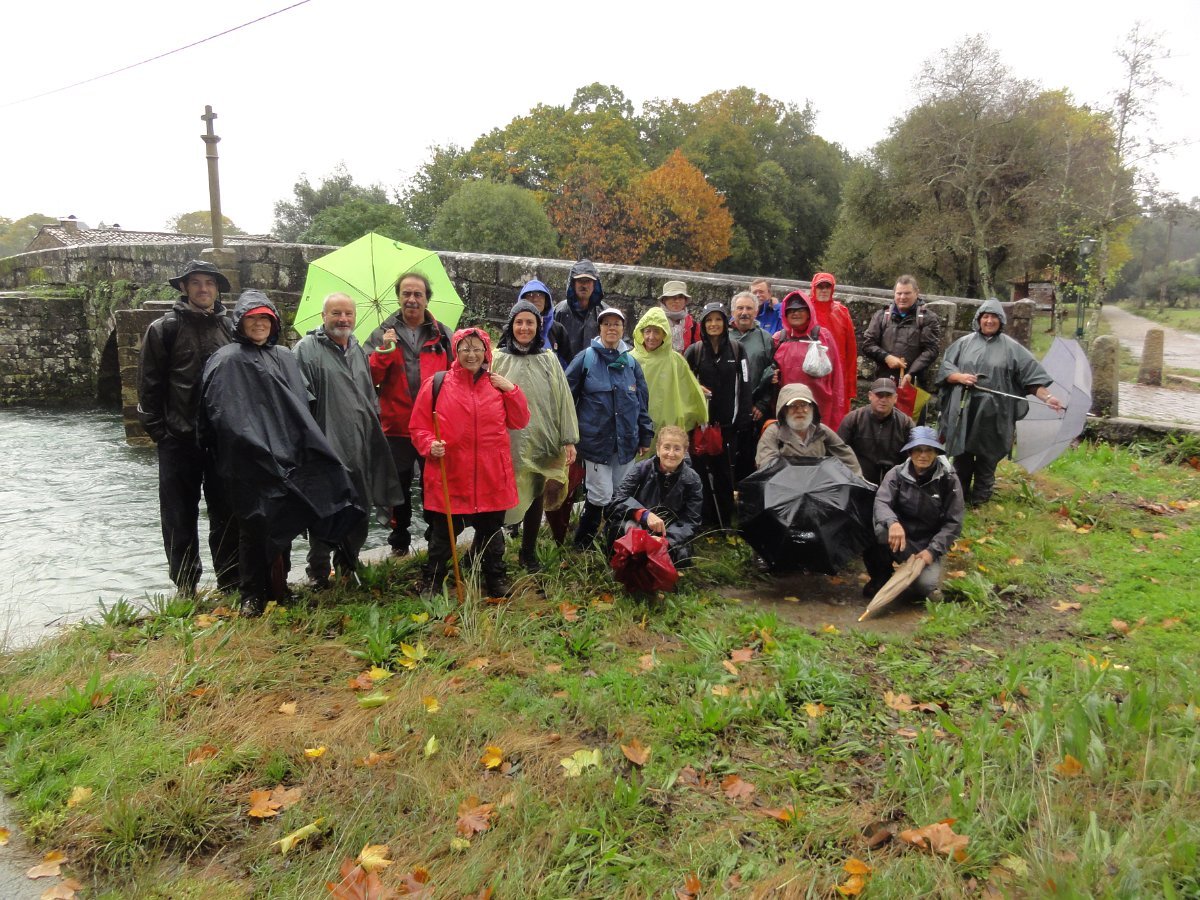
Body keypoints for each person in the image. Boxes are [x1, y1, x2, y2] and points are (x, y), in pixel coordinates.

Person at [198, 293, 362, 615]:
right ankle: (250, 594)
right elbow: (220, 413)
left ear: (273, 323)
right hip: (246, 460)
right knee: (252, 526)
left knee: (284, 522)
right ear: (240, 322)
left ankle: (279, 587)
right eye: (252, 319)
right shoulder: (227, 359)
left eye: (265, 319)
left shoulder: (285, 357)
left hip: (286, 457)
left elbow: (301, 405)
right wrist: (252, 447)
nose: (259, 324)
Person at [137, 259, 238, 595]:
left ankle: (230, 579)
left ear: (217, 288)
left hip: (221, 439)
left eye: (209, 283)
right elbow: (148, 387)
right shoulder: (163, 329)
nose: (203, 289)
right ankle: (185, 585)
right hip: (178, 440)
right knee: (179, 516)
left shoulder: (231, 328)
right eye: (196, 283)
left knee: (226, 512)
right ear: (184, 288)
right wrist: (160, 433)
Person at [409, 328, 530, 597]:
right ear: (456, 351)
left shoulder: (498, 385)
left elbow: (520, 420)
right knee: (443, 534)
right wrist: (430, 444)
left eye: (477, 349)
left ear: (486, 352)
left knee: (491, 532)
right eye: (466, 349)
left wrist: (512, 390)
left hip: (490, 475)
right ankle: (433, 580)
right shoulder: (437, 384)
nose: (471, 354)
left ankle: (494, 578)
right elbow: (418, 427)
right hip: (451, 473)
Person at [295, 293, 403, 588]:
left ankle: (348, 565)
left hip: (360, 445)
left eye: (348, 314)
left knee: (359, 508)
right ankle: (317, 573)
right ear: (323, 316)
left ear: (355, 318)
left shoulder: (356, 348)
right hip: (326, 447)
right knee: (326, 511)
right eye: (336, 313)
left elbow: (368, 394)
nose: (343, 319)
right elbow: (299, 402)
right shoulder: (306, 349)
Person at [936, 298, 1062, 506]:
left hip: (995, 415)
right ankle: (957, 499)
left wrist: (1048, 398)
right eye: (985, 316)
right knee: (962, 458)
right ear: (979, 319)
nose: (989, 321)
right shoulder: (963, 343)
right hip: (966, 411)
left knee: (987, 459)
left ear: (1001, 320)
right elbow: (946, 369)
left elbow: (1031, 379)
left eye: (994, 317)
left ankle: (980, 502)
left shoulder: (1013, 349)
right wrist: (960, 377)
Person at [367, 272, 453, 557]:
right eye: (406, 294)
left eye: (418, 294)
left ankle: (433, 537)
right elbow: (368, 376)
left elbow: (457, 375)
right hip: (397, 426)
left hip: (433, 425)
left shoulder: (442, 333)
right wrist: (384, 351)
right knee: (399, 486)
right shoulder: (383, 333)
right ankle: (399, 541)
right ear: (399, 297)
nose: (412, 300)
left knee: (434, 484)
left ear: (427, 297)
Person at [492, 298, 579, 572]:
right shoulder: (497, 358)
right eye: (519, 322)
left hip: (543, 438)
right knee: (501, 495)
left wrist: (568, 439)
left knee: (536, 494)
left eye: (530, 322)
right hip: (507, 441)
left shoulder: (548, 359)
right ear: (511, 325)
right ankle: (494, 553)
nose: (524, 328)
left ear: (538, 326)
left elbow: (563, 399)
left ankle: (528, 553)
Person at [565, 307, 654, 549]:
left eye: (616, 324)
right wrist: (568, 436)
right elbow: (566, 397)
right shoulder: (586, 359)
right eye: (607, 324)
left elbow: (641, 403)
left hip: (626, 442)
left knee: (621, 496)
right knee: (600, 494)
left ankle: (616, 545)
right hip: (596, 443)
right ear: (600, 328)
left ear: (623, 329)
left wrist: (645, 435)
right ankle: (582, 545)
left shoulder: (632, 364)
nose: (611, 328)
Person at [867, 426, 965, 601]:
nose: (923, 455)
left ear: (936, 452)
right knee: (878, 530)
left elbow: (954, 522)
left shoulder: (949, 479)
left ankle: (921, 578)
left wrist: (932, 551)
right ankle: (880, 577)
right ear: (910, 453)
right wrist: (892, 522)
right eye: (918, 450)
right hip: (900, 537)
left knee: (924, 587)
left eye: (929, 450)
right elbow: (881, 502)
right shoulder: (896, 474)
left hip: (927, 544)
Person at [685, 303, 752, 528]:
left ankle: (725, 521)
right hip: (700, 424)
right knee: (700, 473)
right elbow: (683, 383)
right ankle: (704, 520)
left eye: (718, 320)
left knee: (724, 474)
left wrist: (743, 416)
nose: (713, 324)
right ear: (703, 324)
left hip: (726, 425)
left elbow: (745, 383)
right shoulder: (694, 351)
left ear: (725, 323)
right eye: (709, 320)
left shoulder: (737, 350)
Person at [609, 425, 704, 567]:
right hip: (639, 526)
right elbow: (617, 500)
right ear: (658, 449)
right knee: (618, 529)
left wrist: (666, 540)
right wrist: (643, 514)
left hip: (669, 532)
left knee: (682, 555)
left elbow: (691, 520)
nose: (671, 454)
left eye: (677, 449)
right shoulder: (641, 468)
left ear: (685, 452)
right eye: (666, 447)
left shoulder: (693, 479)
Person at [629, 306, 708, 442]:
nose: (651, 337)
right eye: (647, 331)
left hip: (667, 425)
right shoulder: (630, 359)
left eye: (657, 332)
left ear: (665, 334)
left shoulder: (675, 360)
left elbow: (688, 388)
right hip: (636, 424)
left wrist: (700, 413)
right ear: (641, 333)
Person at [771, 290, 846, 429]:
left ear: (809, 312)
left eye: (800, 309)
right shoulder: (778, 339)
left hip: (819, 406)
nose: (795, 313)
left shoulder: (823, 336)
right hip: (787, 406)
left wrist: (837, 409)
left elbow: (836, 377)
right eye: (790, 310)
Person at [756, 383, 861, 475]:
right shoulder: (773, 433)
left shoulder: (822, 431)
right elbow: (766, 466)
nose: (800, 410)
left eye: (804, 404)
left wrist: (858, 482)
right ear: (784, 410)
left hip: (817, 488)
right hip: (784, 490)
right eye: (793, 406)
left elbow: (846, 457)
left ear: (812, 408)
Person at [728, 290, 777, 480]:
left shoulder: (765, 338)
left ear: (756, 312)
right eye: (740, 308)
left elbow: (771, 370)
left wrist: (762, 404)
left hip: (754, 408)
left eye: (749, 308)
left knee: (749, 457)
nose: (744, 312)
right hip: (727, 407)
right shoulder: (723, 335)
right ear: (733, 311)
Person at [862, 275, 942, 389]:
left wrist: (911, 373)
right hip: (884, 381)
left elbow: (931, 350)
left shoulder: (928, 318)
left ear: (916, 293)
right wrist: (886, 357)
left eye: (907, 293)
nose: (902, 297)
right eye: (899, 293)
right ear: (894, 294)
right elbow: (868, 344)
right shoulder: (881, 315)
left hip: (913, 381)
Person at [837, 378, 916, 485]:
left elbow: (914, 458)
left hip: (894, 484)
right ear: (870, 396)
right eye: (879, 395)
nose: (883, 400)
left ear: (895, 398)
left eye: (888, 395)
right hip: (857, 481)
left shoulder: (905, 424)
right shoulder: (853, 419)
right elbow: (839, 454)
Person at [809, 272, 858, 418]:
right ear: (813, 288)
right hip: (811, 369)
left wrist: (850, 386)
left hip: (837, 372)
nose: (824, 290)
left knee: (835, 413)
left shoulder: (842, 312)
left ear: (832, 289)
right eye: (820, 287)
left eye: (827, 287)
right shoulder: (806, 310)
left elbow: (851, 349)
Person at [553, 259, 607, 368]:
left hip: (595, 374)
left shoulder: (604, 312)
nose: (584, 285)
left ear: (594, 284)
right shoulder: (560, 311)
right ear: (573, 284)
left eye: (588, 281)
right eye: (580, 281)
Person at [514, 279, 568, 366]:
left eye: (539, 295)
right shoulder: (513, 328)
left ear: (546, 301)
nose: (535, 299)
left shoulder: (557, 330)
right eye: (530, 295)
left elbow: (566, 363)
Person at [659, 280, 702, 351]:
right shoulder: (655, 320)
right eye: (672, 297)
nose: (677, 301)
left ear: (685, 301)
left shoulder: (692, 325)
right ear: (664, 300)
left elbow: (698, 350)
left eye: (680, 297)